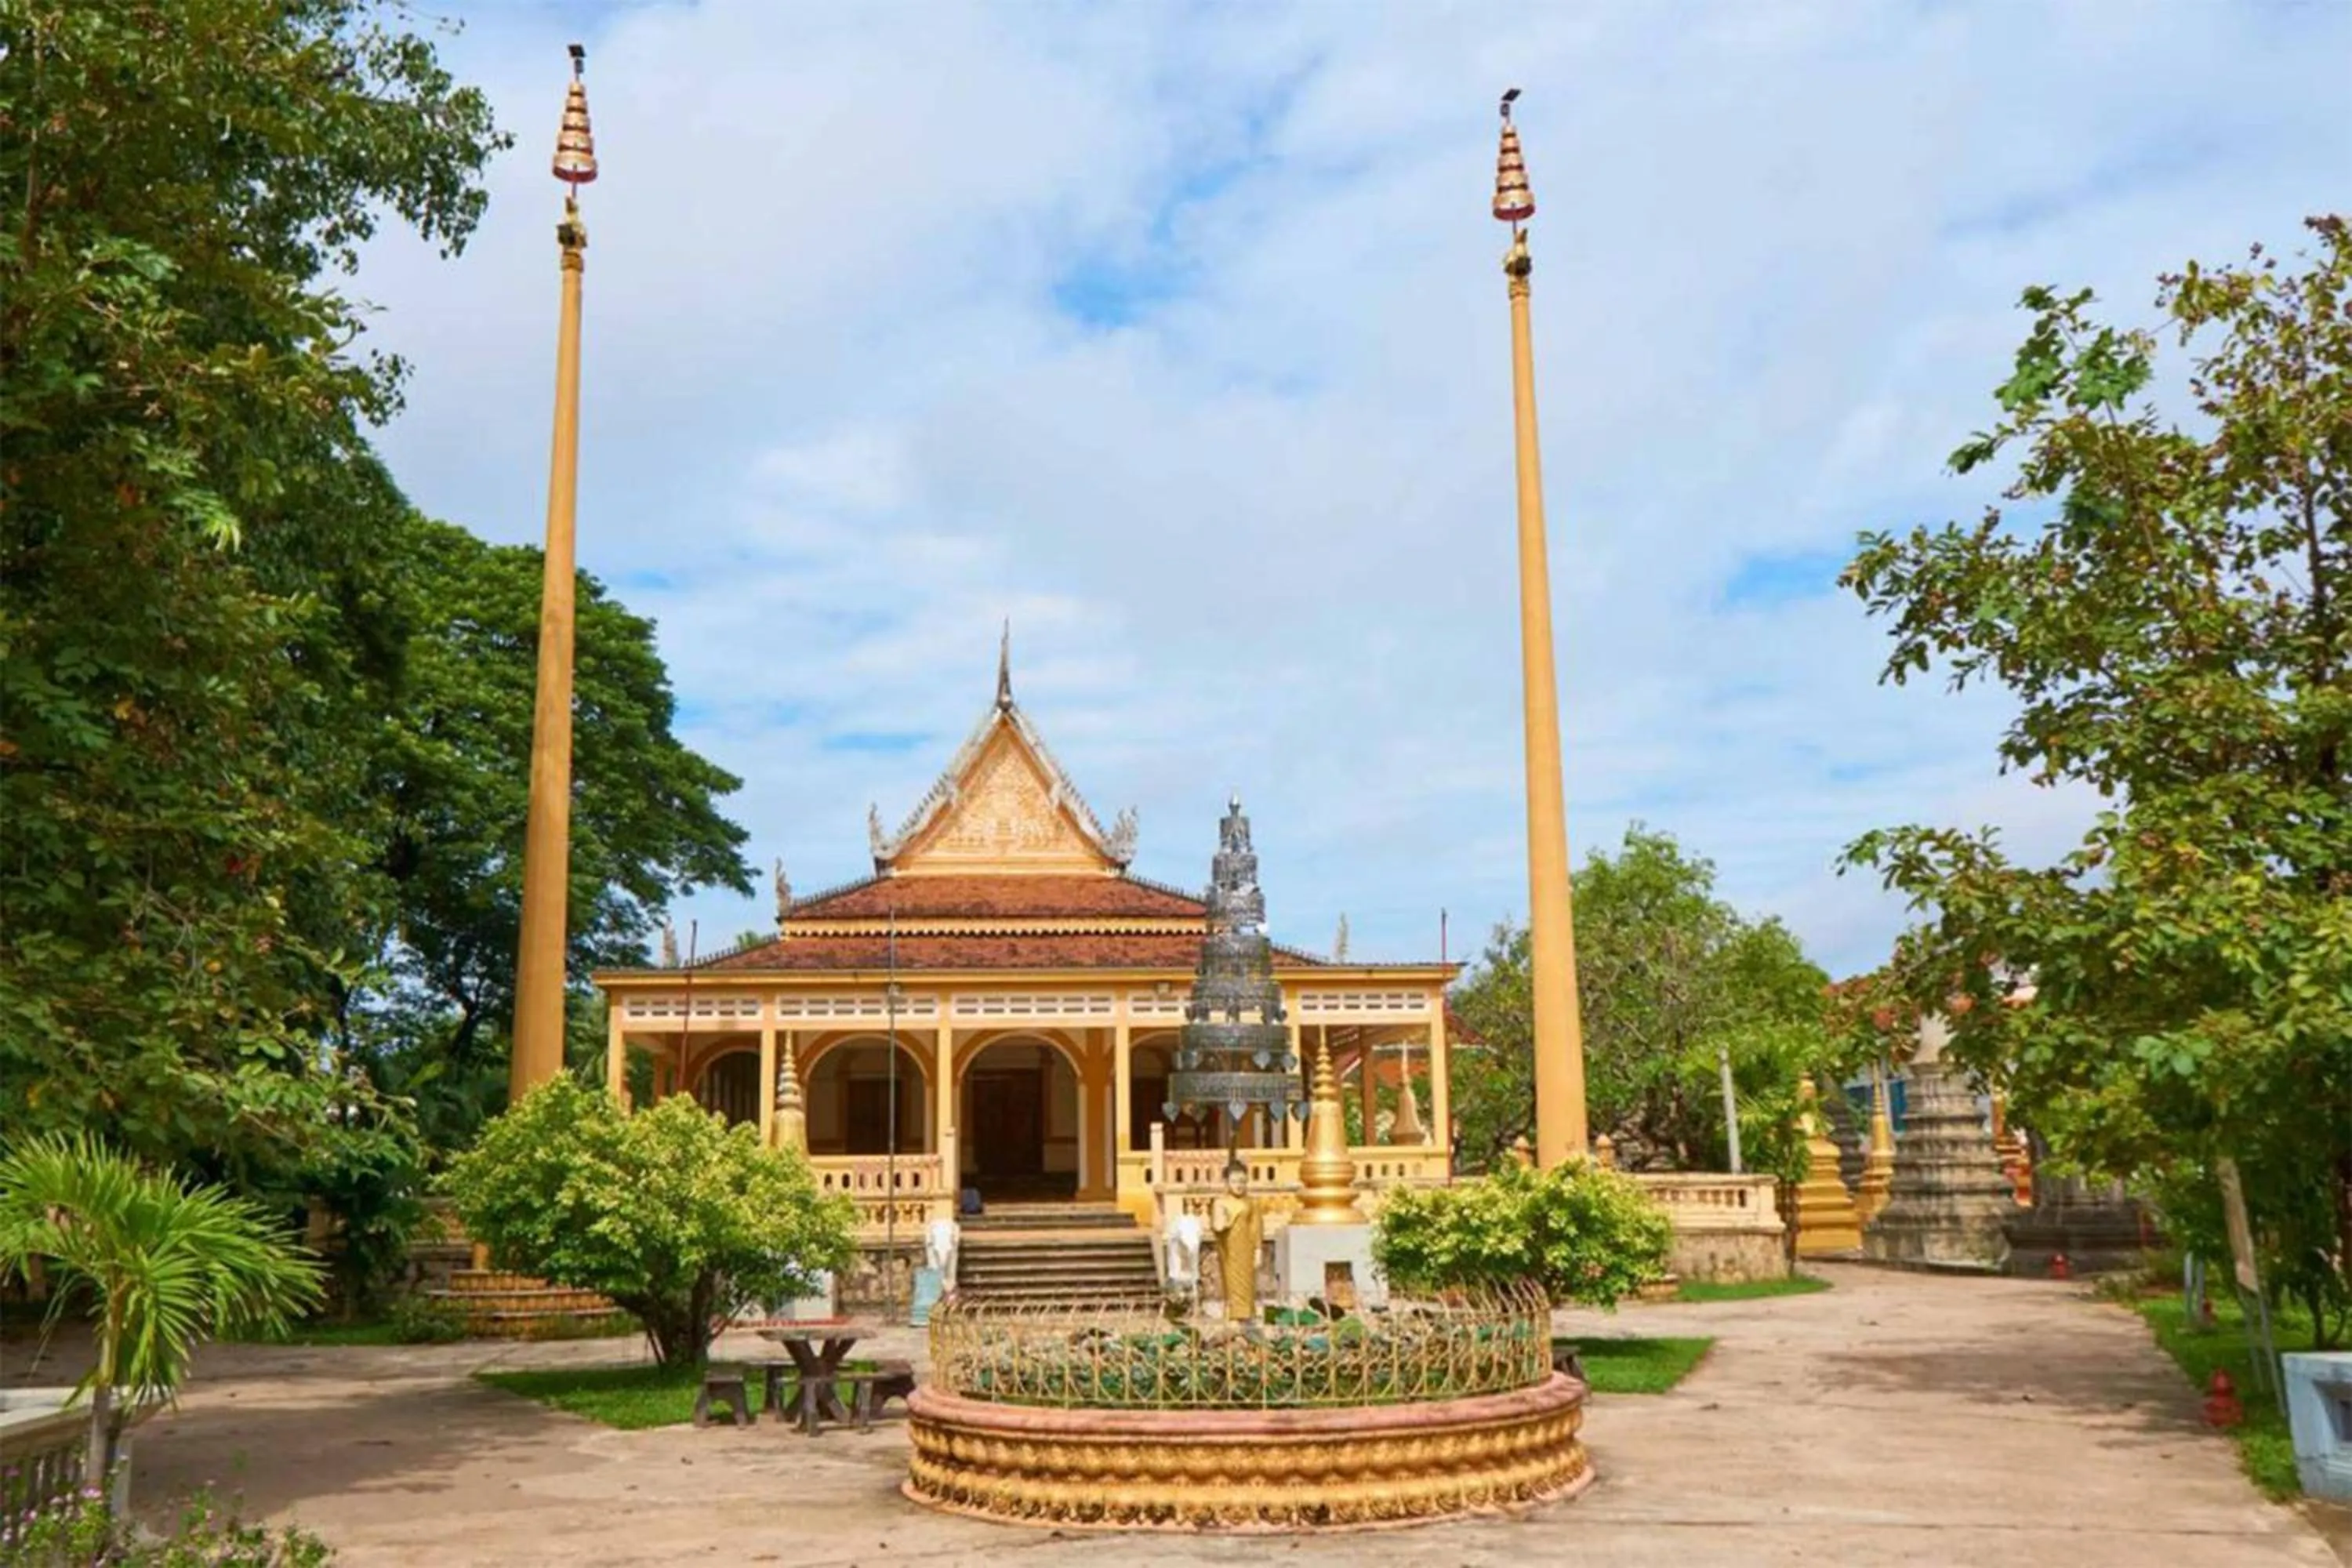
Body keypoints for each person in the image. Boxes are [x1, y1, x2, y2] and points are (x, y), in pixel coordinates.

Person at [1207, 1154, 1262, 1323]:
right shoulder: (1220, 1203)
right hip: (1229, 1249)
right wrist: (1221, 1221)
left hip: (1246, 1249)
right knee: (1231, 1283)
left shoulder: (1251, 1203)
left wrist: (1258, 1249)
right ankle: (1232, 1315)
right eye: (1235, 1181)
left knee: (1248, 1283)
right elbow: (1217, 1226)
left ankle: (1247, 1315)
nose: (1239, 1186)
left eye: (1242, 1182)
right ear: (1227, 1183)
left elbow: (1256, 1228)